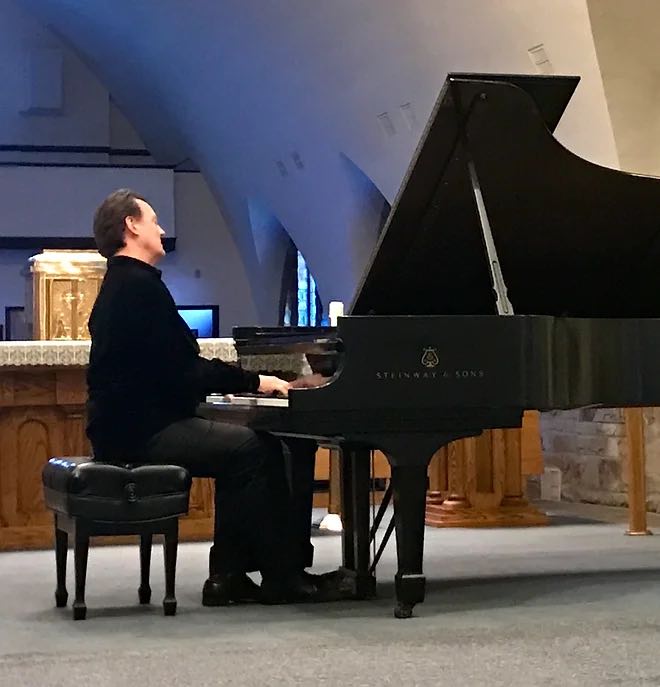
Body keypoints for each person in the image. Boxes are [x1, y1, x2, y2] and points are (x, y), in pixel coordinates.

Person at [86, 188, 324, 605]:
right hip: (141, 433)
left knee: (245, 448)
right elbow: (183, 370)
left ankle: (230, 575)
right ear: (131, 225)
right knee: (253, 447)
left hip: (128, 425)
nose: (161, 229)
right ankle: (279, 575)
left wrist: (233, 383)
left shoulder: (125, 284)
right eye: (154, 220)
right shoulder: (138, 288)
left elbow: (174, 366)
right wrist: (255, 382)